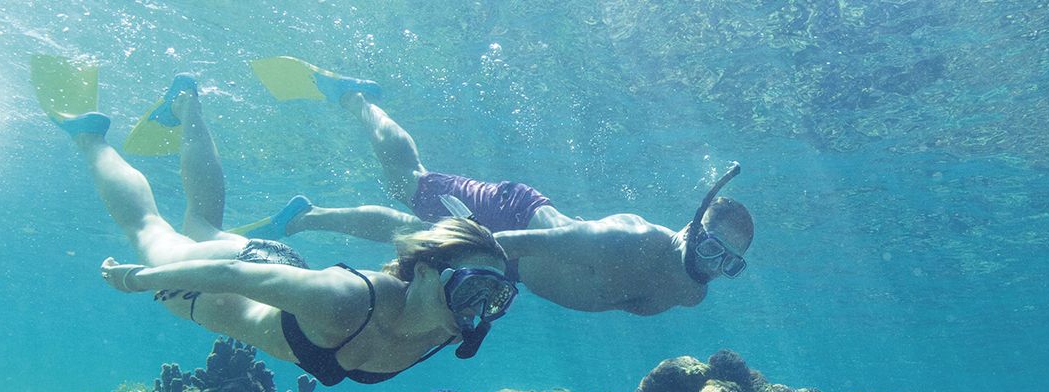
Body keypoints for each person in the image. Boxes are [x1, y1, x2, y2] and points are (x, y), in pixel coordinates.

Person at [32, 58, 518, 386]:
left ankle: (186, 106)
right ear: (428, 271)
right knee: (147, 230)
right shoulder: (346, 301)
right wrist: (140, 279)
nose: (479, 309)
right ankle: (89, 135)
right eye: (473, 288)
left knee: (201, 219)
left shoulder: (449, 326)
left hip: (277, 268)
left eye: (494, 298)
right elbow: (230, 276)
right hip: (211, 286)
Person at [238, 59, 754, 316]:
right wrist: (443, 254)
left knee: (412, 225)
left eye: (729, 263)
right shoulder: (631, 238)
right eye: (711, 247)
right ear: (692, 227)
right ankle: (355, 99)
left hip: (514, 263)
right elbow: (532, 243)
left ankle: (306, 214)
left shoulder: (694, 292)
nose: (713, 265)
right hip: (513, 220)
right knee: (408, 185)